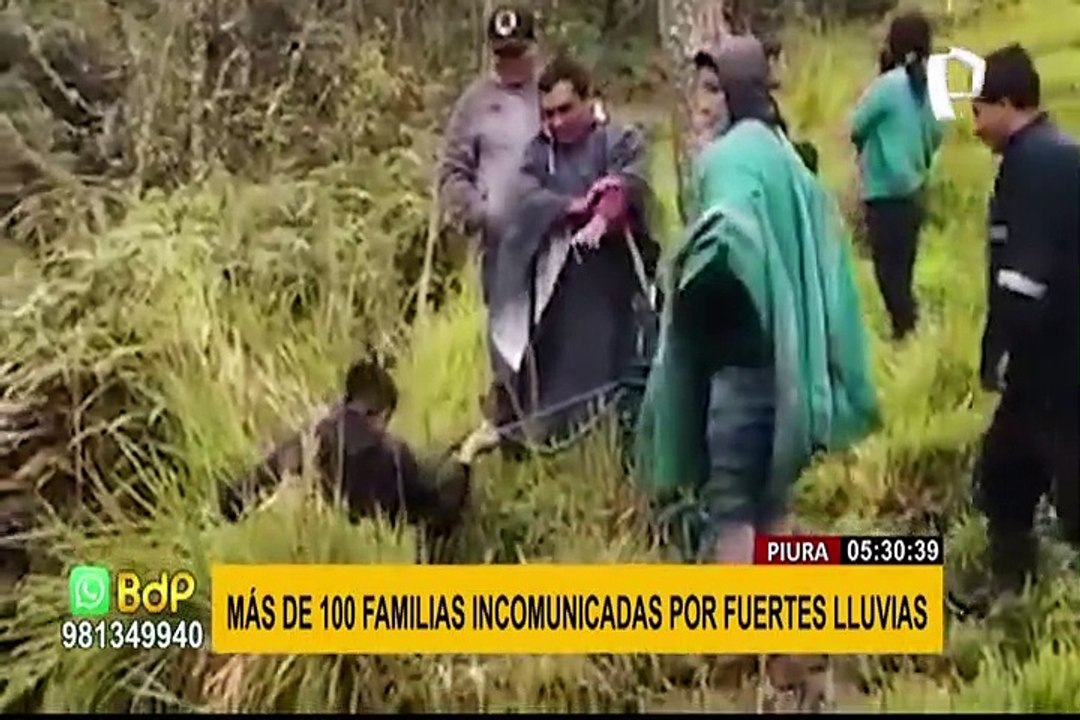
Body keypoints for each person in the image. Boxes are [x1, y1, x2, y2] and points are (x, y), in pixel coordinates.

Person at [635, 34, 880, 712]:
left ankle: (740, 650)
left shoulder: (731, 157)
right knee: (773, 508)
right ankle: (792, 658)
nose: (702, 103)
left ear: (741, 92)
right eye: (699, 89)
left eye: (714, 89)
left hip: (741, 366)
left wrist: (687, 272)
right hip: (789, 371)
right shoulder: (786, 159)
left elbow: (728, 237)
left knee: (731, 503)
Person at [483, 53, 659, 454]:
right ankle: (546, 443)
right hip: (553, 290)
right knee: (551, 378)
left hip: (609, 285)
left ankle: (613, 449)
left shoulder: (618, 139)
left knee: (610, 374)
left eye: (566, 109)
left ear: (588, 99)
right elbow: (524, 197)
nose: (557, 122)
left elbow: (630, 182)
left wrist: (605, 212)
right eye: (548, 114)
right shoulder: (537, 153)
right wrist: (569, 209)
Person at [967, 44, 1079, 598]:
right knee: (1006, 473)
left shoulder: (1035, 165)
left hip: (1053, 359)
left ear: (1008, 104)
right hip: (1051, 355)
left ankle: (1023, 592)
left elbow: (1023, 280)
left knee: (1033, 476)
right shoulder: (1049, 154)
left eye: (978, 111)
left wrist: (1000, 351)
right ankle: (1016, 588)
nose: (974, 125)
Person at [217, 358, 482, 559]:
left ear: (345, 400)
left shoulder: (308, 442)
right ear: (383, 414)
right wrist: (466, 457)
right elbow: (440, 515)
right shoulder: (393, 455)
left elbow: (235, 500)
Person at [436, 4, 542, 429]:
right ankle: (511, 430)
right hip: (501, 244)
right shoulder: (474, 104)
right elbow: (451, 172)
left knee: (554, 333)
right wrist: (478, 212)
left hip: (554, 236)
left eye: (516, 53)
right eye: (500, 55)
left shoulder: (550, 92)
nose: (509, 64)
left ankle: (556, 425)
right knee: (508, 337)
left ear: (533, 49)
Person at [849, 11, 944, 341]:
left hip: (884, 193)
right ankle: (909, 336)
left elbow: (856, 124)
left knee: (888, 276)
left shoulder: (888, 86)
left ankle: (907, 334)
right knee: (902, 272)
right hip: (916, 191)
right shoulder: (928, 88)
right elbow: (936, 134)